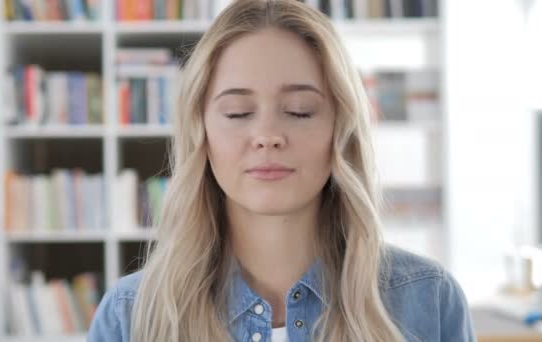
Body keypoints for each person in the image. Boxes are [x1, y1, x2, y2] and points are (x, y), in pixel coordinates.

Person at [88, 0, 475, 341]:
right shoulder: (129, 314)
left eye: (299, 111)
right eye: (238, 113)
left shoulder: (428, 299)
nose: (268, 136)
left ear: (340, 129)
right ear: (201, 131)